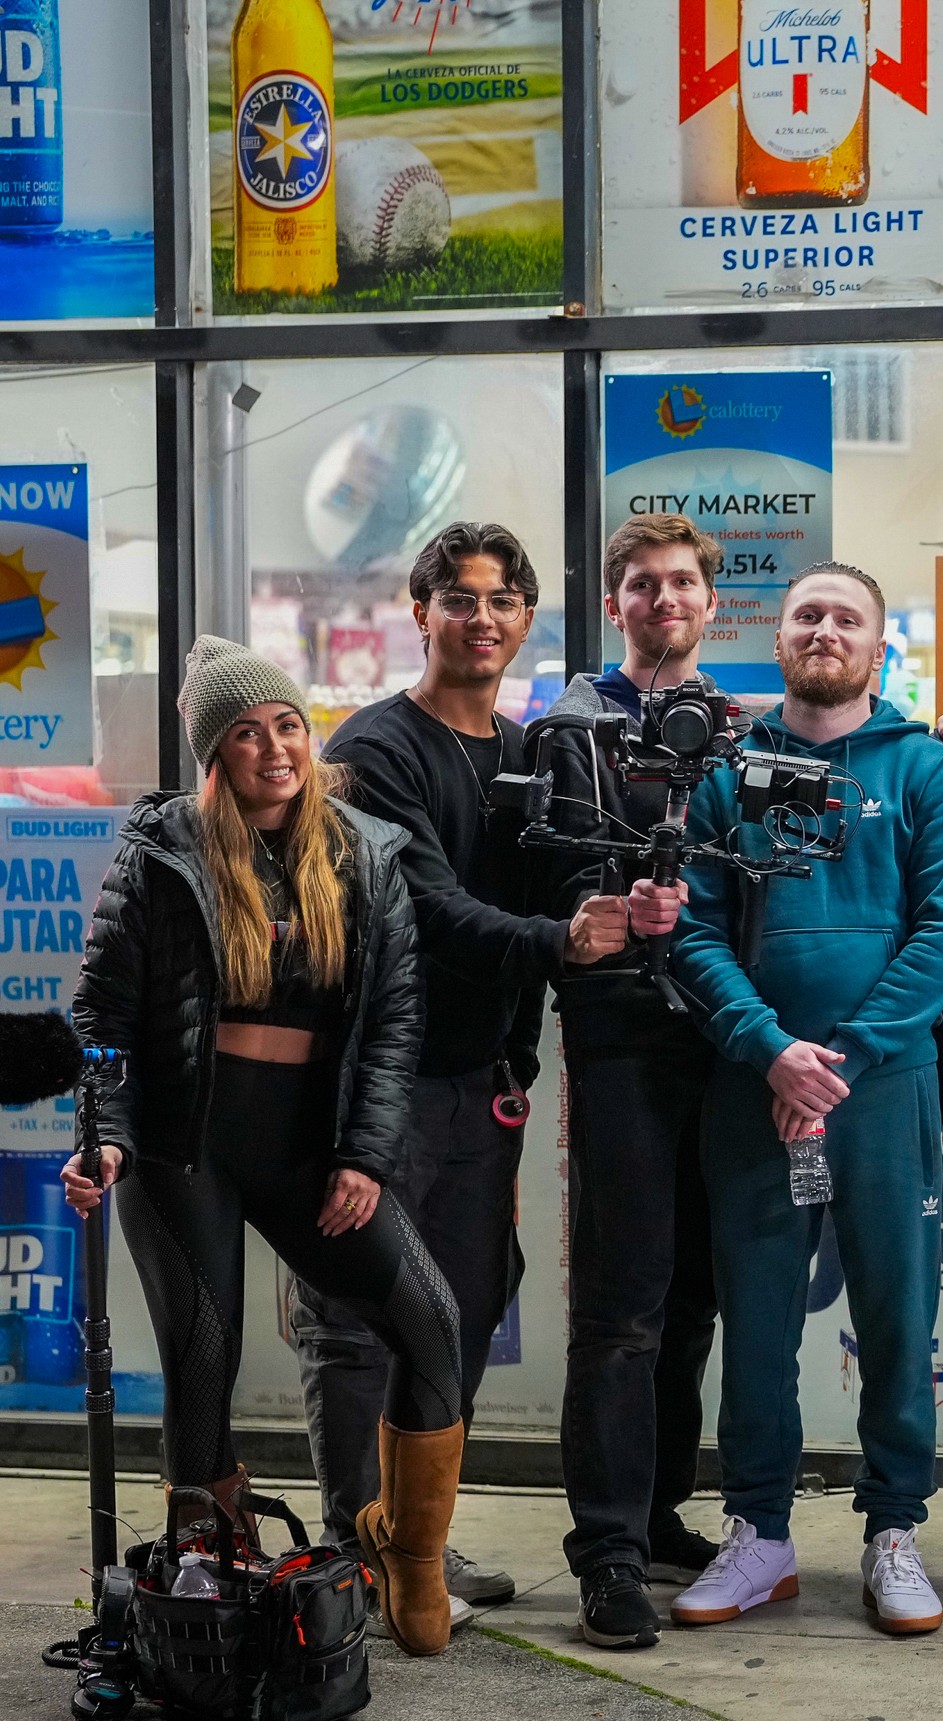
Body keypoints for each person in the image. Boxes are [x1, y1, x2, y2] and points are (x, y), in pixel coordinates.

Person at [66, 639, 466, 1654]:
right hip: (183, 1149)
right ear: (215, 756)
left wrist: (366, 1157)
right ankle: (205, 1575)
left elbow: (392, 1023)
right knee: (204, 1358)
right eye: (246, 734)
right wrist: (108, 1136)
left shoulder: (365, 852)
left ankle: (406, 1551)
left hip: (309, 1151)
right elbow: (102, 1014)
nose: (274, 747)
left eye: (286, 724)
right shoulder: (162, 854)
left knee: (429, 1319)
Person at [309, 522, 631, 1614]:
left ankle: (416, 1537)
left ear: (526, 619)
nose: (481, 619)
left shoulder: (534, 753)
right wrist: (561, 940)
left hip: (481, 1085)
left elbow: (566, 877)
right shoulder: (373, 750)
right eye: (459, 600)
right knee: (357, 1320)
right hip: (373, 1089)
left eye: (501, 602)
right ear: (421, 613)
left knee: (457, 1311)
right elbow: (430, 910)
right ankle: (351, 1540)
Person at [669, 561, 943, 1637]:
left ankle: (894, 1529)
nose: (825, 630)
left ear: (878, 645)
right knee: (753, 1322)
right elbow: (696, 932)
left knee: (896, 1316)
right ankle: (759, 1534)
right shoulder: (726, 773)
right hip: (754, 1093)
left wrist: (836, 1059)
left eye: (847, 618)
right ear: (780, 636)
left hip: (882, 1092)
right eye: (808, 615)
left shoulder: (924, 771)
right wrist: (769, 1052)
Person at [527, 514, 729, 1649]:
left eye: (682, 583)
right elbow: (547, 869)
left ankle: (655, 1516)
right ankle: (604, 1548)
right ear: (618, 604)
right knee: (623, 1307)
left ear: (710, 601)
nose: (664, 600)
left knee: (694, 1297)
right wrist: (609, 900)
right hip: (622, 1040)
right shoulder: (572, 725)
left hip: (724, 1041)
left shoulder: (738, 728)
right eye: (643, 585)